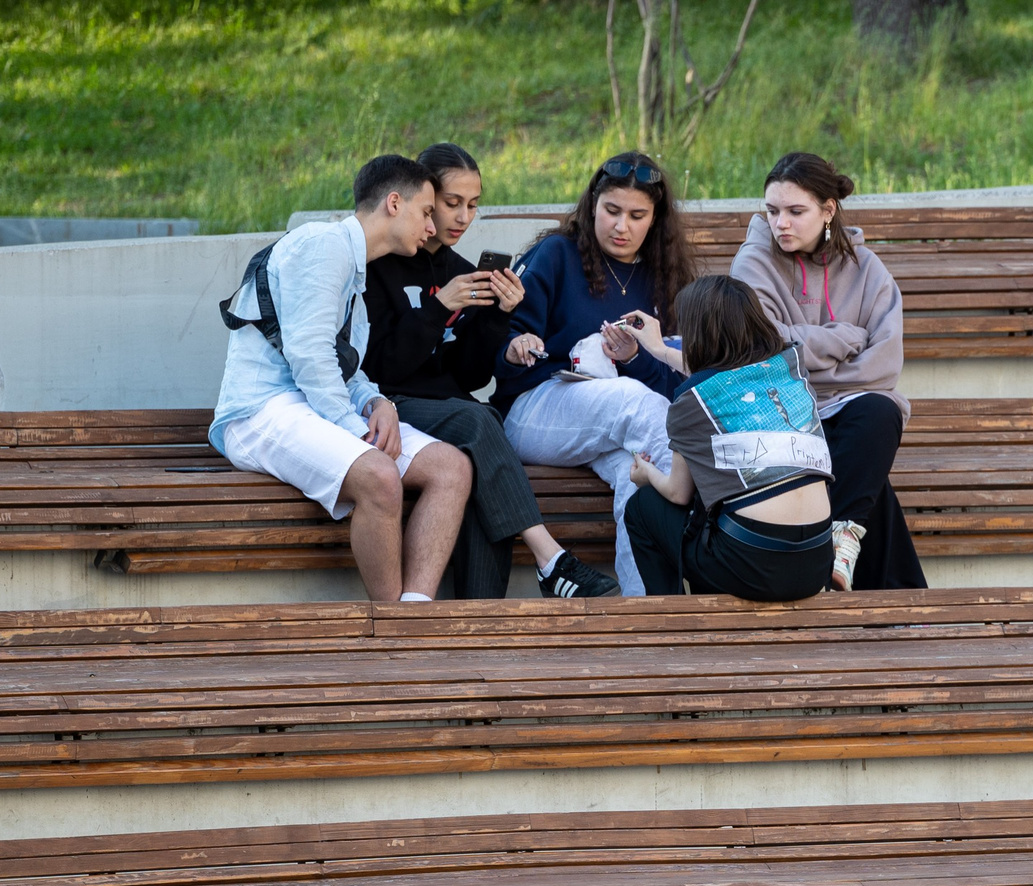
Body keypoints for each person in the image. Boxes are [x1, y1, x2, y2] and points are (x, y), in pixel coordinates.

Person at [210, 154, 472, 603]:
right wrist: (357, 431)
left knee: (450, 468)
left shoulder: (354, 270)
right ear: (394, 203)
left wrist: (376, 402)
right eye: (427, 212)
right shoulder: (323, 246)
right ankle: (393, 626)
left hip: (308, 404)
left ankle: (414, 613)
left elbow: (341, 365)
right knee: (380, 475)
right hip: (260, 411)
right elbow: (310, 359)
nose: (433, 228)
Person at [361, 142, 610, 599]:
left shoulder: (461, 271)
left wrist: (497, 316)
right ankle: (549, 558)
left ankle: (482, 615)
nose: (463, 217)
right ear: (424, 197)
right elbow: (379, 365)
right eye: (451, 203)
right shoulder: (377, 263)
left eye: (473, 205)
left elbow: (470, 376)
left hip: (447, 409)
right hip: (386, 401)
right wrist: (438, 308)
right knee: (480, 421)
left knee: (480, 451)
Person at [493, 151, 694, 596]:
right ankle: (711, 536)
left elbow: (677, 381)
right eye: (611, 211)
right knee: (633, 403)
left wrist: (636, 359)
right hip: (537, 411)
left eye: (637, 216)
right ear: (592, 205)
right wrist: (516, 346)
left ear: (656, 219)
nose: (621, 226)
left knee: (639, 479)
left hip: (614, 427)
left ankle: (647, 611)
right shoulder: (557, 254)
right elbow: (497, 345)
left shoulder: (666, 276)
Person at [728, 152, 926, 591]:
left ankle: (841, 549)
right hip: (783, 412)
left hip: (851, 413)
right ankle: (891, 590)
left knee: (879, 412)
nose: (781, 223)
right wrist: (844, 340)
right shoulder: (752, 263)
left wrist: (808, 362)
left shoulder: (866, 269)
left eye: (795, 212)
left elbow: (885, 366)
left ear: (828, 210)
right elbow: (763, 350)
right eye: (772, 211)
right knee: (867, 471)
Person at [618, 277, 835, 602]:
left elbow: (678, 493)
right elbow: (725, 372)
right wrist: (661, 350)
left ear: (698, 336)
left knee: (642, 507)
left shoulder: (691, 402)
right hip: (817, 564)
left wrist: (646, 475)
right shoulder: (790, 369)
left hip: (754, 570)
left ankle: (668, 619)